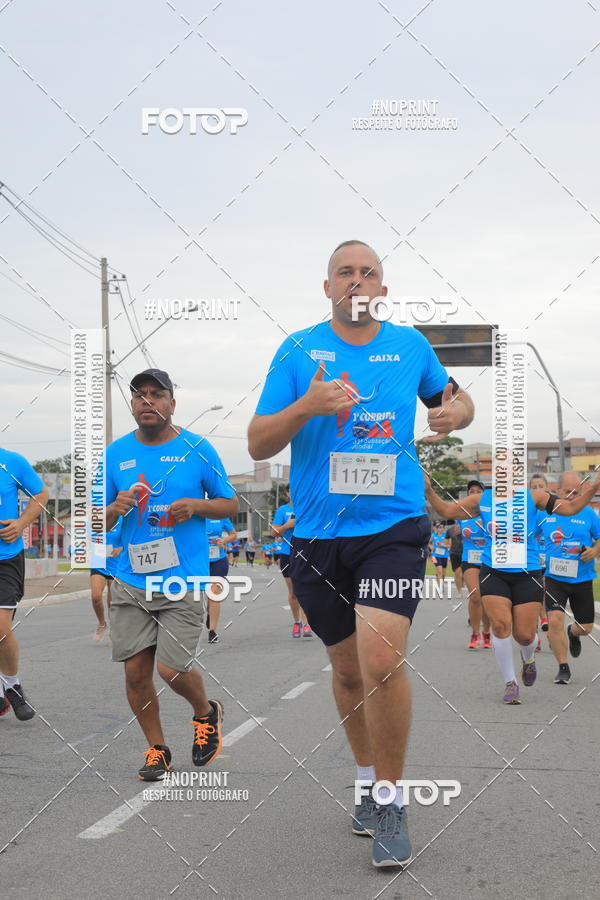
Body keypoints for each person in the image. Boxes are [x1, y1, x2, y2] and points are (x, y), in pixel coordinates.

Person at [248, 239, 474, 868]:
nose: (355, 281)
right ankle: (367, 777)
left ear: (381, 288)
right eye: (344, 272)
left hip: (392, 525)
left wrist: (454, 413)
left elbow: (456, 400)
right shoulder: (297, 351)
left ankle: (392, 800)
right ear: (327, 289)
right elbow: (258, 443)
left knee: (381, 657)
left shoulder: (411, 347)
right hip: (319, 534)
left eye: (367, 272)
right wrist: (307, 405)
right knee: (347, 672)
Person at [105, 368, 239, 780]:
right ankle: (157, 749)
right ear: (132, 405)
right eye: (139, 395)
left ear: (171, 404)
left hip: (181, 577)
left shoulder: (197, 449)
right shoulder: (114, 454)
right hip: (130, 577)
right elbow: (90, 519)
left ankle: (205, 712)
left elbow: (230, 504)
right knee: (135, 672)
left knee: (172, 669)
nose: (147, 402)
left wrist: (196, 507)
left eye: (156, 394)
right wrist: (114, 508)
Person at [425, 472, 600, 704]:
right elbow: (447, 511)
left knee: (525, 635)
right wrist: (428, 489)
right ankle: (510, 682)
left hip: (526, 573)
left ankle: (528, 658)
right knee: (500, 626)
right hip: (493, 571)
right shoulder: (482, 500)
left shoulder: (533, 497)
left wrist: (592, 488)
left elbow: (569, 509)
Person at [0, 449, 49, 720]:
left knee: (1, 628)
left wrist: (21, 523)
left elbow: (41, 494)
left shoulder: (12, 461)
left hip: (5, 558)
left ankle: (13, 686)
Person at [540, 471, 600, 684]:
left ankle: (573, 633)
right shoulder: (545, 513)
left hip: (582, 578)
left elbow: (599, 538)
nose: (572, 496)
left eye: (576, 492)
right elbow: (529, 536)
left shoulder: (588, 513)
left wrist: (594, 551)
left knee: (585, 628)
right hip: (554, 578)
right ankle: (563, 667)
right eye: (568, 492)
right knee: (555, 619)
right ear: (558, 490)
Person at [458, 480, 491, 649]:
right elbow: (458, 533)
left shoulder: (490, 513)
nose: (474, 493)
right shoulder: (462, 514)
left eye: (478, 491)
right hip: (469, 559)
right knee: (475, 595)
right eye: (471, 491)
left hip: (488, 559)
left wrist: (485, 527)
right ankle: (475, 633)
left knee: (486, 599)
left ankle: (486, 632)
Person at [272, 498, 311, 637]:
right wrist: (287, 525)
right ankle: (297, 622)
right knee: (293, 592)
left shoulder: (308, 505)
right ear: (288, 492)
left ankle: (307, 624)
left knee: (305, 589)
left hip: (305, 553)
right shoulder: (283, 510)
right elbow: (274, 532)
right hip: (286, 554)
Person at [89, 520, 123, 643]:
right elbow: (83, 538)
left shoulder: (123, 518)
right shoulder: (95, 519)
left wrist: (121, 548)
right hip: (98, 563)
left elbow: (131, 538)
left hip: (116, 565)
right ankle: (102, 624)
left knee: (112, 602)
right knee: (95, 596)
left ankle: (114, 628)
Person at [206, 517, 236, 643]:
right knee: (203, 594)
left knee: (214, 593)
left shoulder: (220, 515)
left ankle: (212, 631)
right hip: (200, 560)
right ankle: (209, 612)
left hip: (219, 559)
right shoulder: (197, 513)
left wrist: (223, 540)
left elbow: (233, 534)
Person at [530, 474, 549, 640]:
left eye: (540, 486)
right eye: (533, 487)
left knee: (549, 595)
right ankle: (535, 635)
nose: (537, 490)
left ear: (547, 489)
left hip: (552, 563)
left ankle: (551, 631)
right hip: (533, 562)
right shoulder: (528, 513)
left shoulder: (556, 510)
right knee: (535, 596)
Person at [445, 521, 465, 597]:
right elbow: (446, 541)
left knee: (463, 574)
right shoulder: (449, 530)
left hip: (465, 554)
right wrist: (447, 545)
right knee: (457, 573)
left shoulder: (466, 527)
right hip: (454, 554)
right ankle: (459, 592)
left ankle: (462, 581)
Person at [430, 523, 450, 588]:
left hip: (444, 555)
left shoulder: (446, 536)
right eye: (439, 527)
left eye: (441, 527)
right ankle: (440, 587)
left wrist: (443, 545)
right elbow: (428, 542)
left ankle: (439, 579)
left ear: (444, 528)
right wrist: (431, 546)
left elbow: (450, 545)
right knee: (440, 570)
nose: (440, 528)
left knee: (443, 573)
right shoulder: (433, 535)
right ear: (436, 528)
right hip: (435, 555)